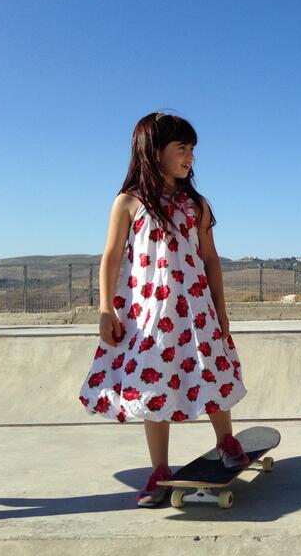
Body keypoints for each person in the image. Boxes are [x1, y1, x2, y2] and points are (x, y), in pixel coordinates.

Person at [78, 112, 248, 507]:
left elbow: (211, 259)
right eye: (182, 148)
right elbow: (110, 257)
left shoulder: (196, 204)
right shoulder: (129, 202)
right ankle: (159, 469)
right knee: (153, 384)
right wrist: (105, 308)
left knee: (210, 371)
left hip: (196, 310)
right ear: (154, 152)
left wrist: (221, 310)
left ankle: (226, 440)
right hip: (149, 315)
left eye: (192, 149)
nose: (190, 156)